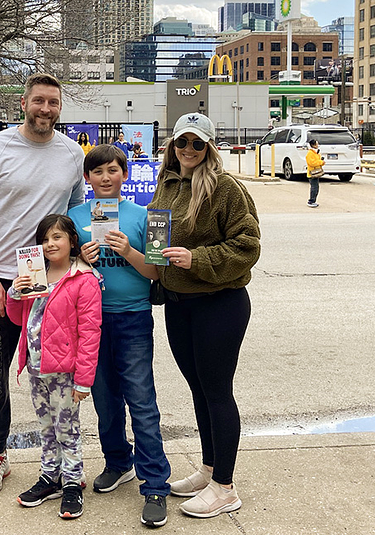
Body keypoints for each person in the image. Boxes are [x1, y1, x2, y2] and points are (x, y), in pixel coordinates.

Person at [0, 73, 86, 497]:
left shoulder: (71, 154)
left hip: (51, 284)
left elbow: (75, 212)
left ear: (60, 107)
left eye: (53, 103)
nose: (45, 109)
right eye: (38, 101)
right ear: (23, 103)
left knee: (52, 371)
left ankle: (61, 461)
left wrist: (81, 261)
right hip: (2, 281)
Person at [149, 112, 260, 519]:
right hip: (180, 306)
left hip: (219, 304)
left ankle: (225, 487)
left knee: (216, 391)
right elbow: (156, 243)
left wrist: (197, 259)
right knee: (198, 389)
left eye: (198, 143)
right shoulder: (167, 184)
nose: (189, 150)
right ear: (172, 145)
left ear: (210, 147)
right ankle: (210, 468)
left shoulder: (226, 188)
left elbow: (248, 246)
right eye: (183, 142)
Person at [71, 144, 172, 528]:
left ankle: (155, 485)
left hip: (132, 319)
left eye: (113, 170)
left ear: (125, 175)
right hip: (90, 322)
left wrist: (128, 250)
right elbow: (62, 266)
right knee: (104, 399)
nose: (106, 177)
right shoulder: (74, 216)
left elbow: (156, 273)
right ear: (87, 179)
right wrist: (83, 257)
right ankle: (118, 461)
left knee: (141, 400)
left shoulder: (144, 216)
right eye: (98, 172)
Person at [6, 214, 101, 519]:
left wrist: (84, 380)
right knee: (46, 427)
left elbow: (90, 332)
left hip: (66, 374)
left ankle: (72, 481)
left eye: (57, 237)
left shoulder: (84, 279)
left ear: (73, 241)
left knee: (66, 428)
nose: (50, 244)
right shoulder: (36, 276)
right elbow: (20, 319)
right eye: (45, 239)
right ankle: (51, 477)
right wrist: (14, 293)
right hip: (37, 368)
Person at [306, 139, 324, 208]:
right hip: (312, 173)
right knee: (314, 187)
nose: (317, 145)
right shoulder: (310, 153)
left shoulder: (316, 153)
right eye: (316, 144)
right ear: (313, 145)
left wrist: (321, 161)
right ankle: (311, 201)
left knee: (316, 187)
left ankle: (313, 200)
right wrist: (320, 162)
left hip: (316, 172)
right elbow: (312, 163)